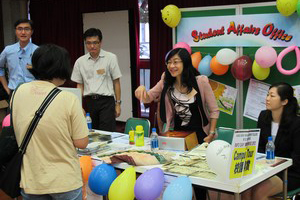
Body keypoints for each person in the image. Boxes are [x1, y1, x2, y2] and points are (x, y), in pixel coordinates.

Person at [135, 48, 219, 200]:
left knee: (199, 178)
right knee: (180, 173)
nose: (171, 66)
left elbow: (214, 111)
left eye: (175, 62)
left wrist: (211, 133)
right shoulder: (166, 81)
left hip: (200, 135)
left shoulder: (200, 81)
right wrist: (142, 88)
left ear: (185, 63)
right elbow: (148, 97)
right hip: (178, 135)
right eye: (168, 62)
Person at [12, 44, 89, 200]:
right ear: (62, 68)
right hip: (64, 180)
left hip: (31, 179)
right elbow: (81, 142)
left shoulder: (18, 92)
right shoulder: (68, 99)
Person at [242, 82, 300, 200]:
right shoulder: (263, 116)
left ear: (284, 101)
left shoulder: (296, 123)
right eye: (267, 95)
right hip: (265, 169)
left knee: (260, 193)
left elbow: (297, 158)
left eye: (272, 96)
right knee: (245, 190)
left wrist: (273, 165)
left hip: (289, 172)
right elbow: (259, 147)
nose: (267, 99)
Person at [71, 28, 122, 132]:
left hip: (106, 102)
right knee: (92, 132)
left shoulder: (110, 58)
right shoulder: (80, 62)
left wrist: (118, 104)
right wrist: (79, 106)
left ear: (101, 42)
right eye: (88, 43)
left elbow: (116, 82)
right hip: (90, 102)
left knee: (107, 134)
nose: (92, 46)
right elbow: (79, 85)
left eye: (95, 42)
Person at [0, 19, 38, 96]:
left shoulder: (38, 50)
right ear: (15, 31)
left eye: (27, 29)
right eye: (20, 29)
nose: (23, 32)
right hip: (13, 91)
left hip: (33, 92)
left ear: (32, 32)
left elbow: (44, 72)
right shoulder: (8, 50)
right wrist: (6, 88)